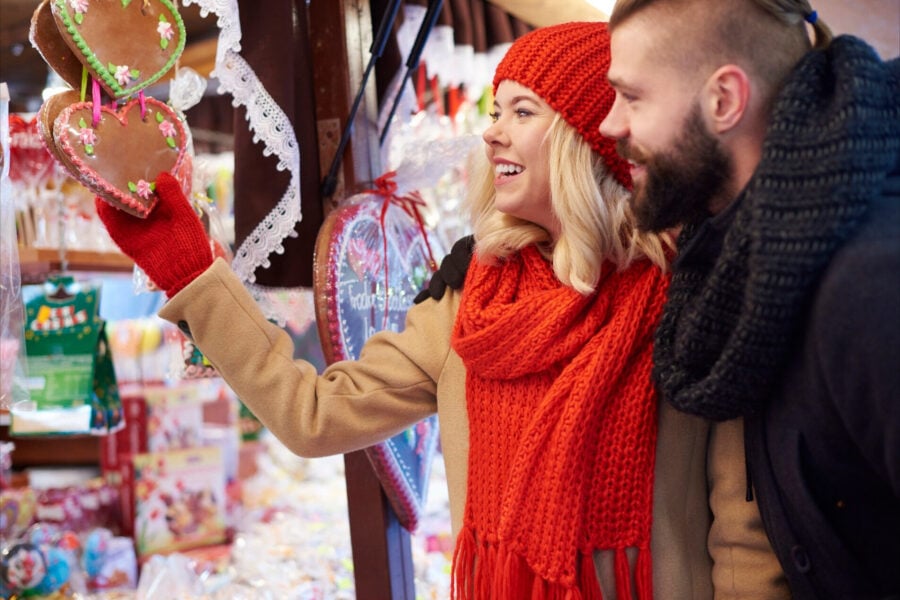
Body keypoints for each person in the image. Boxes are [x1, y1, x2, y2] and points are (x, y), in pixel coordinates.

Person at [96, 22, 714, 599]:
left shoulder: (686, 293)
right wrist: (195, 275)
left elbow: (742, 528)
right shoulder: (473, 298)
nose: (492, 131)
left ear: (593, 139)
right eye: (495, 111)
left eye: (523, 112)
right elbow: (314, 415)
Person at [597, 0, 900, 598]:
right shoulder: (743, 260)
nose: (610, 125)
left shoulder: (868, 285)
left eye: (631, 98)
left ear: (724, 101)